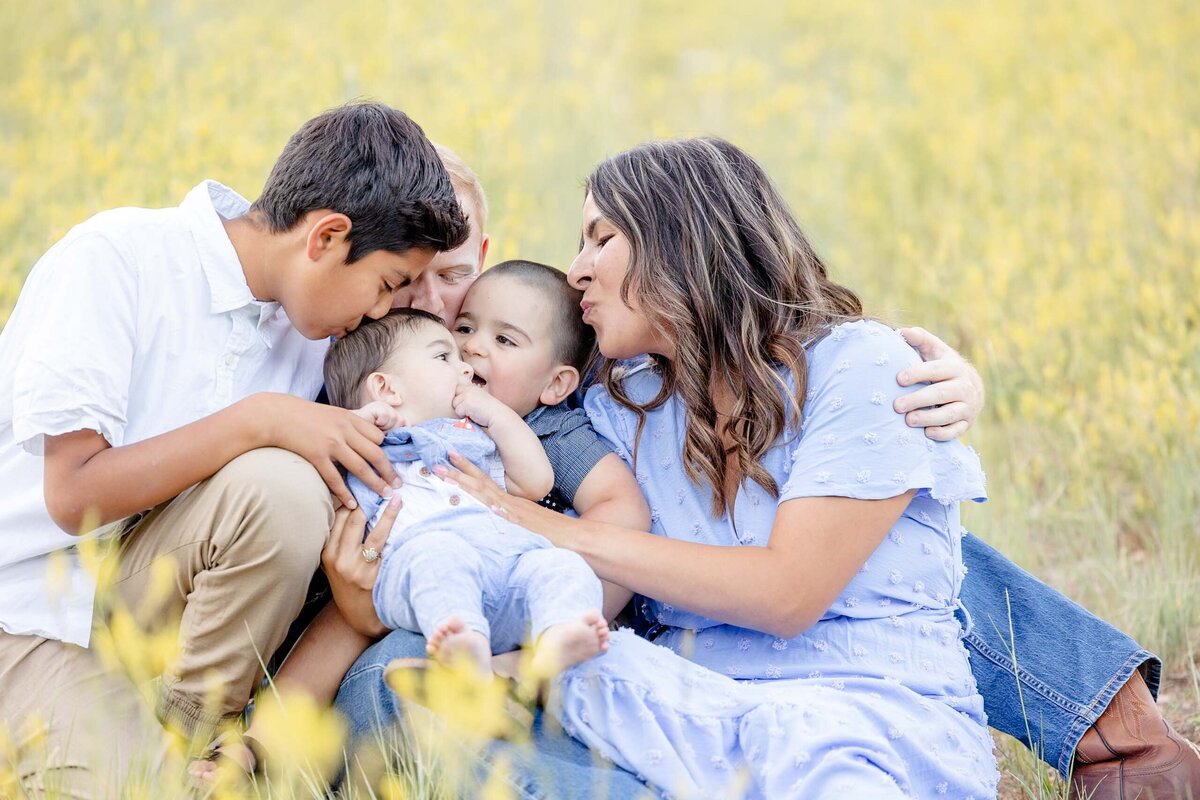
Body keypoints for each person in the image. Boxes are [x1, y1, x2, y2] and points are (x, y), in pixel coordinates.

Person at [397, 141, 1200, 798]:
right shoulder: (615, 401)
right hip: (698, 718)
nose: (574, 272)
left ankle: (1120, 736)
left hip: (857, 725)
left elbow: (787, 592)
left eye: (601, 238)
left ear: (685, 240)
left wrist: (532, 522)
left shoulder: (860, 369)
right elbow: (501, 396)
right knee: (406, 703)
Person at [0, 101, 467, 798]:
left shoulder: (315, 338)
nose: (381, 312)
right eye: (389, 284)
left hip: (152, 615)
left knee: (283, 490)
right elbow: (72, 495)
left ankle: (186, 737)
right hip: (28, 614)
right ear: (327, 238)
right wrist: (259, 419)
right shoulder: (117, 258)